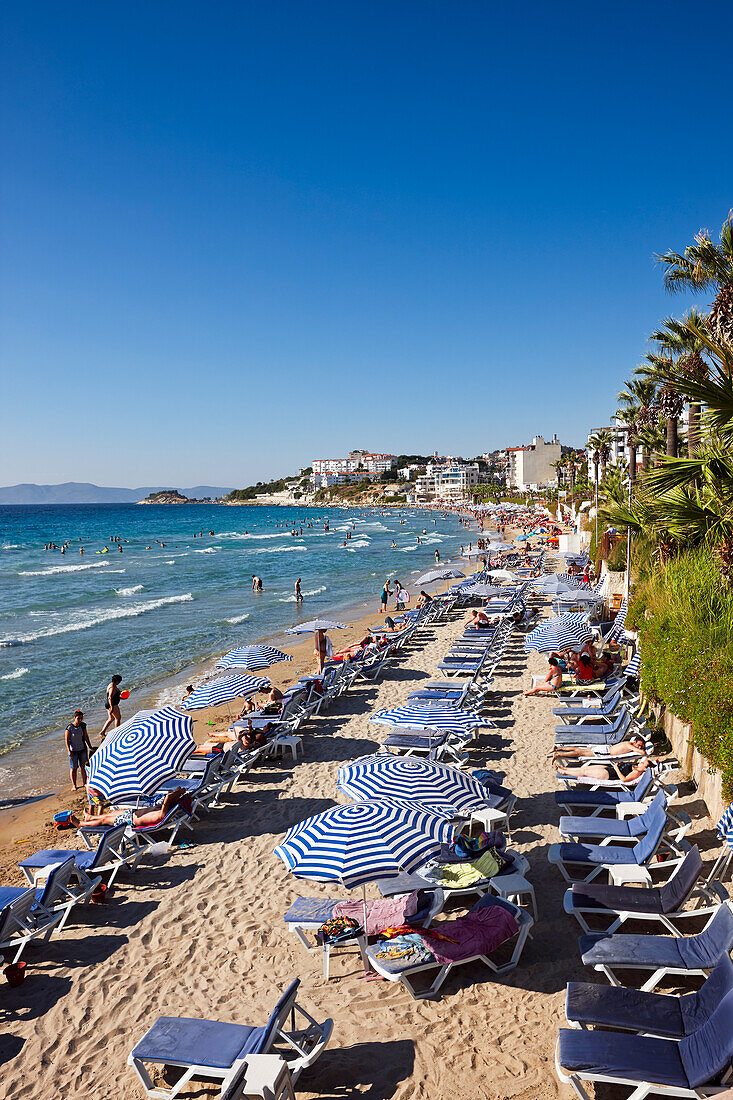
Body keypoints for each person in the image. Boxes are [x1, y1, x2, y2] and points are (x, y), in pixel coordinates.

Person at [81, 786, 190, 829]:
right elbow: (169, 799)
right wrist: (178, 793)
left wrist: (173, 795)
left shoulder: (162, 813)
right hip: (133, 813)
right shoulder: (162, 808)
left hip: (130, 821)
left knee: (104, 820)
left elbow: (167, 800)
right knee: (111, 813)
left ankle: (82, 824)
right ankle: (90, 817)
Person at [555, 753, 652, 784]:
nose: (642, 762)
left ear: (644, 769)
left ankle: (564, 773)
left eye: (644, 763)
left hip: (609, 774)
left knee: (584, 772)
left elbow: (624, 779)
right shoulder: (635, 766)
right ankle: (564, 769)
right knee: (584, 769)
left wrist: (617, 768)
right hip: (610, 769)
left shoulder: (636, 772)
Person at [551, 733, 648, 763]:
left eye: (641, 746)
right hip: (605, 752)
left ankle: (558, 748)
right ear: (635, 741)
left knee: (579, 750)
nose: (639, 747)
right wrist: (642, 749)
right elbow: (642, 753)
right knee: (579, 753)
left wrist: (640, 747)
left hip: (604, 749)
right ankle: (559, 754)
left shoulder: (628, 742)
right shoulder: (629, 745)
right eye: (639, 744)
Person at [65, 710, 92, 789]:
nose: (80, 720)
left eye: (81, 718)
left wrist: (90, 746)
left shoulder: (83, 726)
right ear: (74, 718)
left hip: (82, 749)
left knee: (83, 766)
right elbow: (67, 740)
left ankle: (84, 783)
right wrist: (69, 751)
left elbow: (86, 736)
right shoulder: (69, 728)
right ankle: (74, 785)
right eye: (78, 718)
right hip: (73, 751)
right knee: (74, 768)